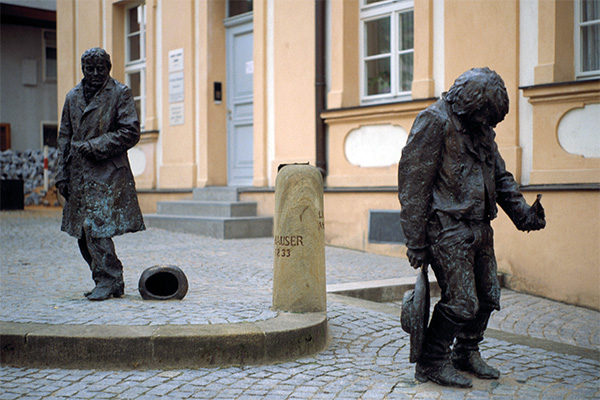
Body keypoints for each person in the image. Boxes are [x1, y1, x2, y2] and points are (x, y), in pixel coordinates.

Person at [398, 67, 546, 388]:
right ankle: (432, 362)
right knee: (463, 301)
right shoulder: (435, 121)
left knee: (489, 294)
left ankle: (466, 351)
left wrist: (523, 214)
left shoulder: (480, 129)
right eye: (486, 117)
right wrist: (415, 241)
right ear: (471, 105)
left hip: (481, 226)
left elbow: (501, 177)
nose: (489, 125)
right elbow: (413, 186)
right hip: (446, 229)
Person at [56, 47, 145, 301]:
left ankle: (109, 279)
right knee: (81, 233)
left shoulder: (120, 93)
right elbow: (64, 137)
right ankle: (107, 280)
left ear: (109, 68)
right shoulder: (72, 96)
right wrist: (60, 174)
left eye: (100, 68)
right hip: (79, 174)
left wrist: (95, 146)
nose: (95, 73)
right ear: (82, 69)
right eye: (89, 69)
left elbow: (130, 132)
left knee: (94, 227)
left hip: (108, 174)